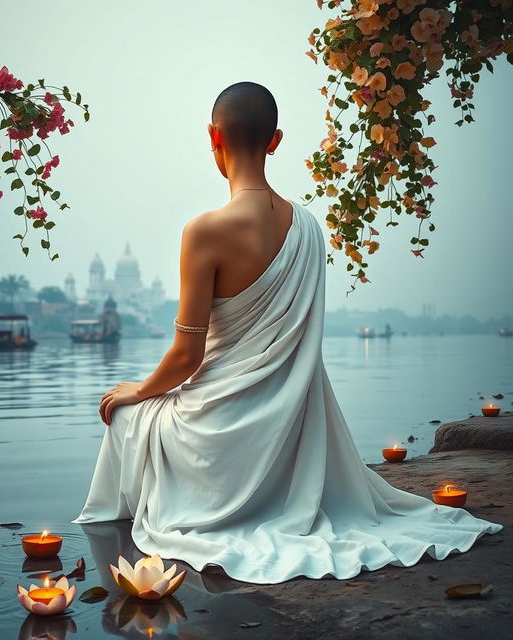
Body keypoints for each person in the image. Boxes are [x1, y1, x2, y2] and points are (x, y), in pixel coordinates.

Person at [73, 82, 503, 582]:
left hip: (217, 439)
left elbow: (186, 357)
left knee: (127, 417)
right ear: (275, 141)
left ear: (213, 137)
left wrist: (139, 392)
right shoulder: (308, 227)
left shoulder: (204, 231)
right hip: (291, 440)